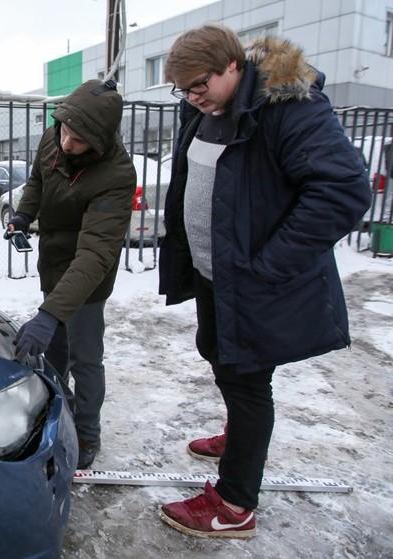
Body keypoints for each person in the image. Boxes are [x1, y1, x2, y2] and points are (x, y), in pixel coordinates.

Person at [158, 23, 371, 538]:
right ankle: (240, 437)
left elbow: (343, 190)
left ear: (233, 65)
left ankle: (234, 506)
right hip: (217, 276)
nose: (192, 97)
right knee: (220, 357)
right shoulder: (206, 106)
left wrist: (269, 265)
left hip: (256, 280)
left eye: (199, 85)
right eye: (182, 90)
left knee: (248, 382)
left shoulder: (290, 109)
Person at [6, 79, 137, 470]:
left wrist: (49, 315)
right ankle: (56, 410)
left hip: (88, 278)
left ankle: (87, 432)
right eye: (63, 131)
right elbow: (37, 180)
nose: (65, 144)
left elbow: (95, 253)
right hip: (53, 263)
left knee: (84, 358)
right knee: (55, 352)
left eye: (77, 140)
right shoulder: (55, 137)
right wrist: (23, 216)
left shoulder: (117, 175)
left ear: (98, 142)